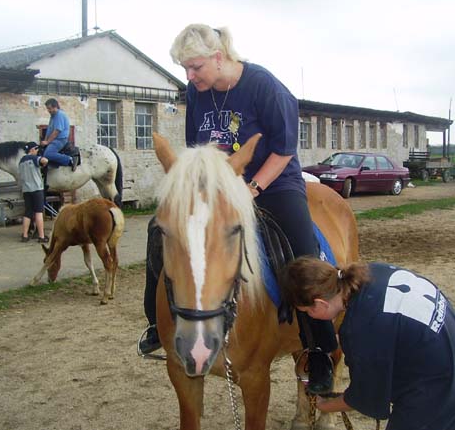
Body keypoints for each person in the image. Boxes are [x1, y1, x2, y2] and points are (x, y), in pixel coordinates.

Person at [140, 23, 336, 395]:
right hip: (220, 188)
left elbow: (283, 151)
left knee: (304, 254)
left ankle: (320, 347)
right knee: (159, 230)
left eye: (195, 67)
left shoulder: (265, 87)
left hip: (274, 184)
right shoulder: (196, 93)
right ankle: (155, 324)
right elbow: (199, 153)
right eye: (185, 68)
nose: (190, 76)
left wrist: (251, 187)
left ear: (219, 57)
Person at [281, 257, 455, 430]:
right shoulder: (371, 271)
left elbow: (364, 398)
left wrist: (325, 405)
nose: (310, 316)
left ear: (320, 303)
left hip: (438, 392)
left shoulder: (359, 327)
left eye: (308, 312)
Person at [19, 142, 49, 243]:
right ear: (32, 150)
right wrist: (44, 163)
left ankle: (25, 235)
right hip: (37, 189)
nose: (37, 151)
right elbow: (45, 160)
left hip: (26, 190)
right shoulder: (33, 158)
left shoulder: (21, 161)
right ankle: (41, 236)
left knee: (28, 212)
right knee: (39, 212)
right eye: (36, 149)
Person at [40, 98, 77, 171]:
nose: (48, 111)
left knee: (48, 154)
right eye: (47, 109)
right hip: (54, 139)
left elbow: (57, 131)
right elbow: (49, 130)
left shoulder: (59, 115)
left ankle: (70, 159)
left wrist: (47, 142)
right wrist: (44, 141)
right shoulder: (53, 116)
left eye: (49, 108)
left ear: (55, 107)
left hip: (60, 139)